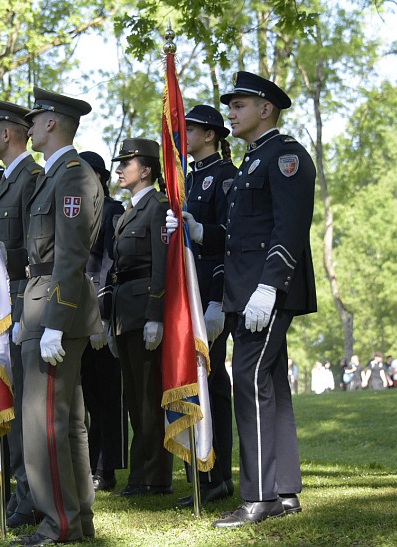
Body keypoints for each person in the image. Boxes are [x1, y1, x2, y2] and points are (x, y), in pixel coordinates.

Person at [171, 72, 316, 527]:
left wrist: (270, 287)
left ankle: (259, 496)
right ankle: (285, 490)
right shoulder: (254, 160)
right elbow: (239, 236)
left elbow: (289, 229)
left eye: (239, 106)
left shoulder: (286, 156)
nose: (230, 113)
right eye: (230, 106)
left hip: (267, 290)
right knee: (271, 383)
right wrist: (201, 233)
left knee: (250, 382)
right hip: (246, 291)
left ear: (265, 109)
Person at [0, 88, 102, 545]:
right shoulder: (55, 176)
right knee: (65, 421)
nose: (28, 127)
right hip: (40, 299)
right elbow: (42, 256)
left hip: (53, 306)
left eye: (35, 120)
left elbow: (71, 257)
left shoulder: (72, 175)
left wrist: (56, 319)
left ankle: (60, 523)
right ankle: (77, 517)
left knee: (43, 422)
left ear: (52, 124)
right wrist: (4, 256)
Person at [176, 103, 237, 506]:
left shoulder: (225, 177)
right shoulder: (187, 179)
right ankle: (198, 474)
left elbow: (229, 244)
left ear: (210, 134)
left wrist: (216, 301)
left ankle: (218, 477)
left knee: (212, 386)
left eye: (191, 129)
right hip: (187, 296)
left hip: (209, 298)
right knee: (188, 385)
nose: (184, 135)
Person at [107, 138, 173, 499]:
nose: (119, 169)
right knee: (134, 397)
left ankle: (155, 477)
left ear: (145, 170)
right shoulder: (130, 210)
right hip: (125, 312)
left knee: (149, 397)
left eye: (126, 164)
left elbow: (161, 265)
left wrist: (155, 315)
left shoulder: (157, 206)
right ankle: (141, 474)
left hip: (144, 309)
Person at [0, 101, 43, 527]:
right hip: (2, 299)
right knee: (11, 396)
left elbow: (40, 246)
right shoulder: (4, 180)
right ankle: (15, 487)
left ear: (7, 135)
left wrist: (6, 255)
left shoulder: (31, 178)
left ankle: (27, 493)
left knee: (25, 402)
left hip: (24, 294)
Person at [79, 150, 128, 496]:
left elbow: (110, 266)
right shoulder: (79, 213)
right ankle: (90, 463)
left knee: (108, 398)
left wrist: (103, 317)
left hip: (98, 314)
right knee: (87, 397)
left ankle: (106, 467)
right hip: (76, 315)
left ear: (99, 178)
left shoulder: (112, 211)